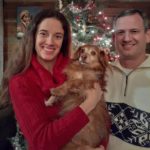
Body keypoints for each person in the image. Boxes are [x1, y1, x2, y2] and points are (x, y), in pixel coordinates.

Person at [0, 9, 106, 150]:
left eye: (57, 36)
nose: (50, 42)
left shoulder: (77, 69)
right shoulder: (21, 82)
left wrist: (101, 146)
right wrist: (89, 103)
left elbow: (101, 116)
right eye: (43, 34)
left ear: (63, 40)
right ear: (33, 36)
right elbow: (41, 142)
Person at [105, 9, 150, 150]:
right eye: (120, 32)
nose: (126, 38)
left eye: (134, 31)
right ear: (114, 39)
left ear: (147, 35)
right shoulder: (102, 73)